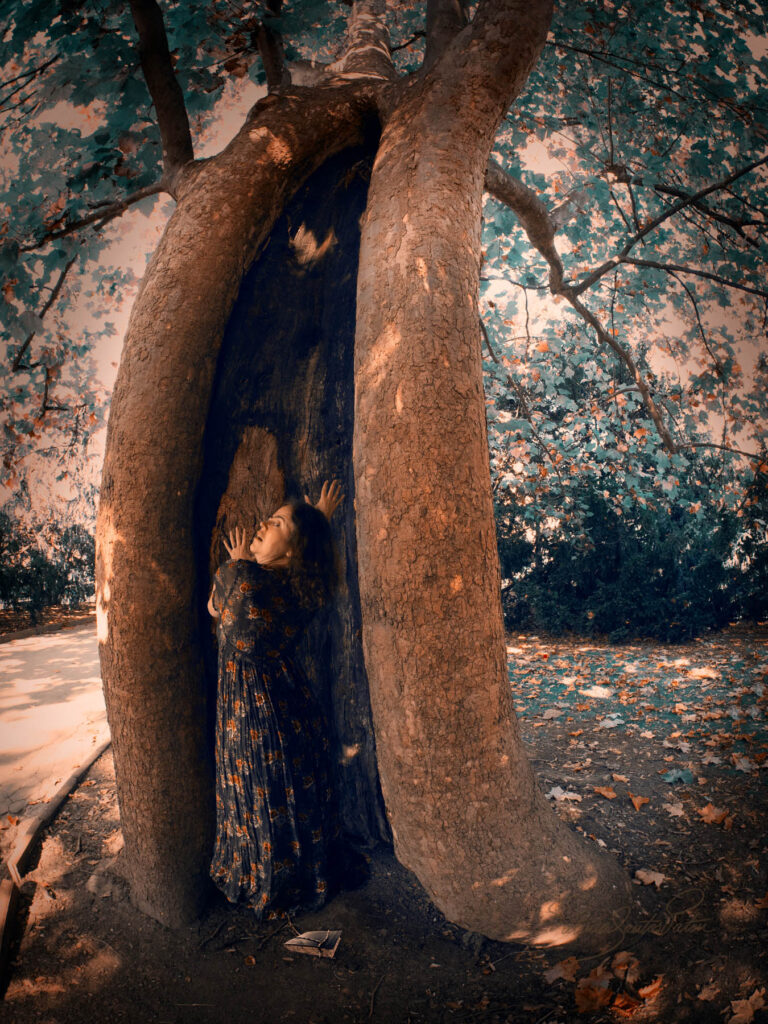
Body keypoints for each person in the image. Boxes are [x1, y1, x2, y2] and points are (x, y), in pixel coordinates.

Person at [207, 480, 344, 919]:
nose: (264, 523)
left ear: (293, 549)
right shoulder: (306, 589)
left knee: (256, 796)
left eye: (278, 522)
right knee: (282, 799)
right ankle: (300, 876)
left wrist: (237, 566)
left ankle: (261, 881)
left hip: (251, 717)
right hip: (288, 709)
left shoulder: (241, 578)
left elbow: (214, 609)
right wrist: (316, 517)